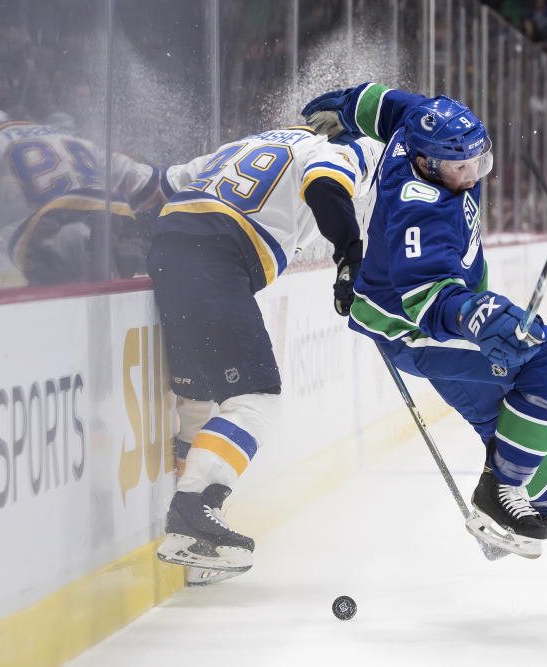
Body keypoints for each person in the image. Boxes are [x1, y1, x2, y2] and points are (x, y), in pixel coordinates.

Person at [301, 83, 547, 563]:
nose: (473, 173)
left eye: (479, 160)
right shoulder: (420, 210)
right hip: (418, 330)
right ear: (426, 164)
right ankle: (497, 498)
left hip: (410, 316)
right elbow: (429, 301)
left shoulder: (420, 128)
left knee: (507, 425)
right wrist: (479, 319)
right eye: (460, 167)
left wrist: (347, 105)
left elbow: (387, 104)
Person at [151, 125, 378, 582]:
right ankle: (193, 513)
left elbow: (166, 182)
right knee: (258, 396)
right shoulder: (325, 150)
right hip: (215, 252)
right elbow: (326, 187)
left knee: (198, 400)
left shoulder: (246, 144)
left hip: (168, 241)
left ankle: (195, 552)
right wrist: (350, 255)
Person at [0, 108, 161, 292]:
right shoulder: (68, 137)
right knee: (107, 294)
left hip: (50, 223)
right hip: (107, 216)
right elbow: (147, 182)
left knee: (44, 302)